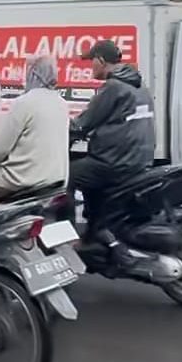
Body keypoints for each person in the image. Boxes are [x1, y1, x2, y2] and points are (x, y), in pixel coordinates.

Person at [68, 39, 156, 232]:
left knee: (68, 176)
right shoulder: (139, 85)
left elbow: (82, 124)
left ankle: (68, 238)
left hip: (115, 162)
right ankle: (98, 229)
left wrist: (61, 130)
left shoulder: (113, 87)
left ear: (100, 60)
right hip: (139, 159)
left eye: (92, 61)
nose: (91, 66)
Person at [0, 54, 70, 203]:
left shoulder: (24, 103)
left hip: (22, 178)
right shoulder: (61, 104)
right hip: (56, 179)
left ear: (32, 73)